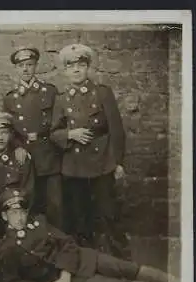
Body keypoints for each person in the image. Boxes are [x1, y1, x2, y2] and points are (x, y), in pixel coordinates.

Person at [0, 187, 180, 282]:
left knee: (129, 268)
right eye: (14, 214)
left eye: (22, 212)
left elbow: (67, 243)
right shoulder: (6, 248)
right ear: (4, 216)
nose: (19, 218)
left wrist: (65, 275)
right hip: (71, 280)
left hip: (82, 258)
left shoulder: (39, 223)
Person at [50, 43, 130, 259]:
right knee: (79, 215)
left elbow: (116, 130)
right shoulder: (61, 99)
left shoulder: (102, 93)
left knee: (108, 212)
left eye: (81, 65)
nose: (76, 70)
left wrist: (118, 162)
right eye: (71, 66)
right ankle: (84, 259)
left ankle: (121, 259)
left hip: (102, 162)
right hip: (74, 166)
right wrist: (69, 134)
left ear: (88, 68)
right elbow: (53, 133)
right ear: (65, 71)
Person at [3, 46, 63, 227]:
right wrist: (18, 146)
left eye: (29, 64)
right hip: (26, 156)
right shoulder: (10, 98)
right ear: (16, 69)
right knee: (29, 201)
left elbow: (59, 123)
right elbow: (8, 129)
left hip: (48, 153)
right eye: (21, 66)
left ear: (36, 66)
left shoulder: (49, 92)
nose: (26, 69)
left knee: (55, 203)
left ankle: (57, 241)